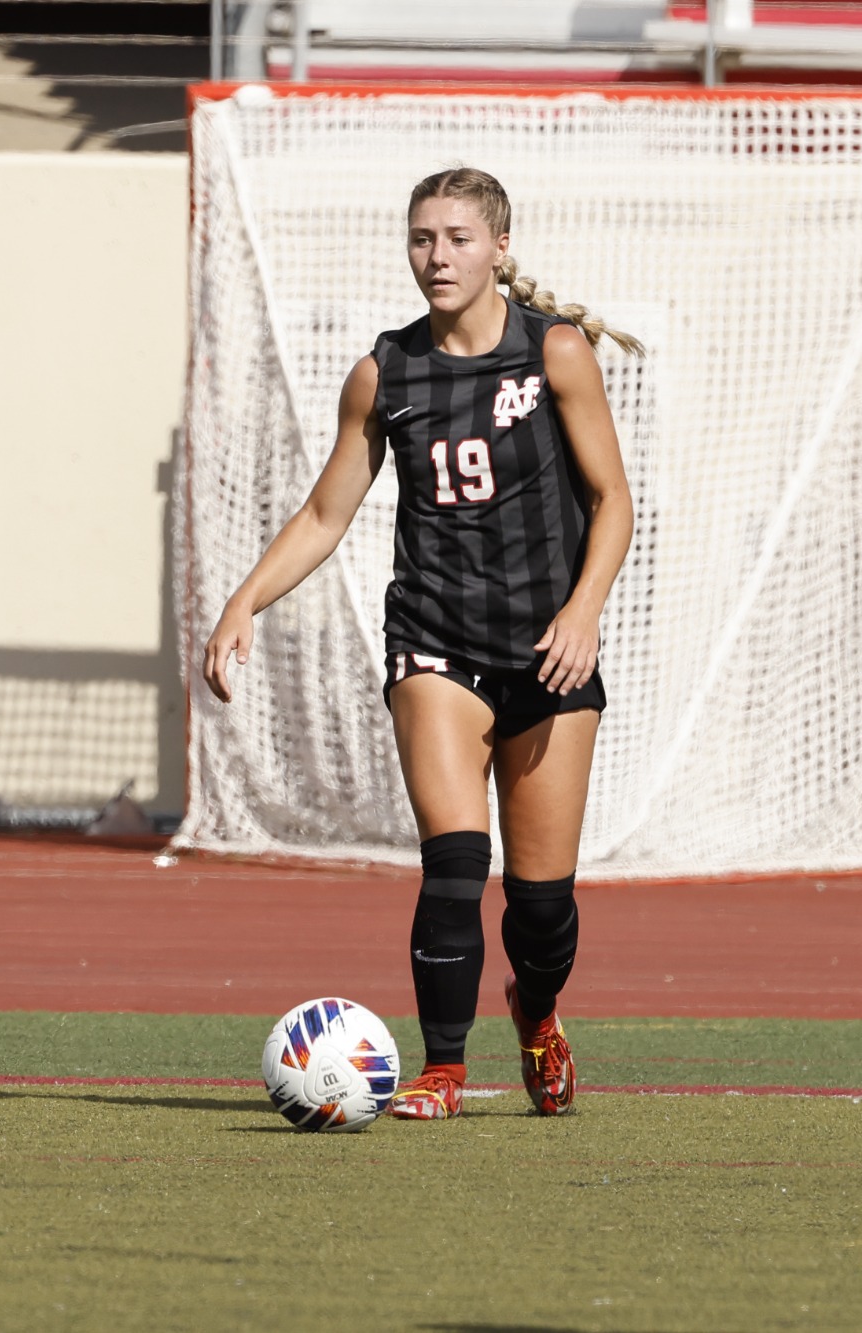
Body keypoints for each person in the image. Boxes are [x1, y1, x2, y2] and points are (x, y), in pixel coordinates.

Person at [201, 167, 638, 1119]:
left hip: (550, 654)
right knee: (452, 863)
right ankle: (442, 1068)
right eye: (421, 239)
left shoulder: (555, 355)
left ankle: (537, 1014)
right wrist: (245, 602)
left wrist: (584, 609)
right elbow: (325, 512)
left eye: (457, 238)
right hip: (434, 640)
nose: (436, 257)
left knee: (541, 907)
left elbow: (613, 502)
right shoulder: (385, 372)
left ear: (500, 248)